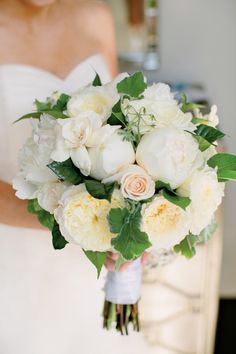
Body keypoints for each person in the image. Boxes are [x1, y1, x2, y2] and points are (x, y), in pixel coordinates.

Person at [0, 1, 151, 353]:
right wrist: (77, 221)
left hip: (88, 265)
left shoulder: (95, 16)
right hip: (11, 262)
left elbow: (119, 130)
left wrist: (127, 220)